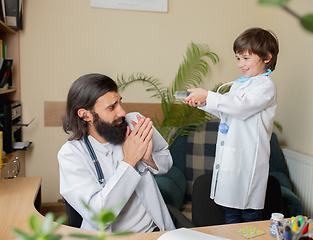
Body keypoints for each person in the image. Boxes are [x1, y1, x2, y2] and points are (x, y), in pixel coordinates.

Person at [58, 73, 175, 232]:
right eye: (112, 107)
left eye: (120, 102)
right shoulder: (71, 155)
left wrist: (149, 160)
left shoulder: (135, 124)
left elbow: (166, 162)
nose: (122, 112)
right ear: (85, 115)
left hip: (154, 231)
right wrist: (130, 160)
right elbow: (98, 217)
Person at [185, 27, 279, 223]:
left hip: (249, 163)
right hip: (232, 161)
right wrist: (203, 103)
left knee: (249, 214)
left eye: (245, 58)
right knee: (231, 212)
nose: (240, 64)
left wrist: (210, 95)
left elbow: (242, 107)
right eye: (238, 58)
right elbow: (226, 110)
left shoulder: (265, 87)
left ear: (267, 57)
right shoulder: (240, 84)